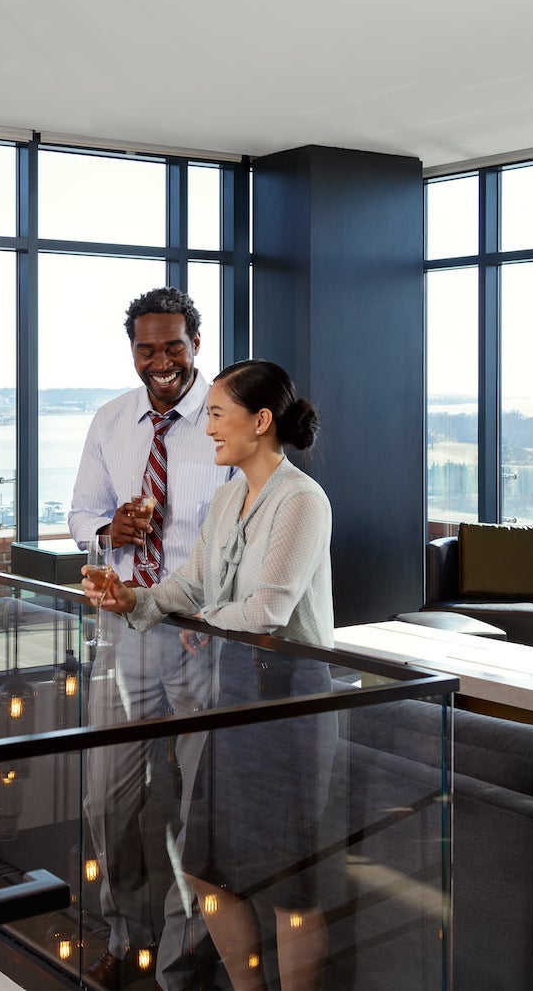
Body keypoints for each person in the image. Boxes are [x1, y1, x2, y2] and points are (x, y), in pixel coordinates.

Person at [84, 359, 334, 991]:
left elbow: (270, 607)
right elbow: (189, 585)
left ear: (262, 420)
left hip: (286, 705)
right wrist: (132, 601)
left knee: (287, 887)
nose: (209, 428)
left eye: (218, 414)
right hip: (231, 694)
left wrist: (207, 619)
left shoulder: (301, 500)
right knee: (206, 870)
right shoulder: (227, 496)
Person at [68, 288, 234, 990]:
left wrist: (214, 613)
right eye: (147, 348)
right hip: (127, 629)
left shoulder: (227, 422)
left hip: (202, 638)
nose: (160, 361)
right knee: (106, 797)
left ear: (196, 343)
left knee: (199, 800)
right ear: (131, 351)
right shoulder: (111, 422)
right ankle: (123, 931)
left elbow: (243, 535)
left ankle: (178, 952)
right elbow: (80, 513)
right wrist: (111, 533)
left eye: (173, 346)